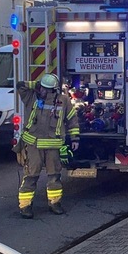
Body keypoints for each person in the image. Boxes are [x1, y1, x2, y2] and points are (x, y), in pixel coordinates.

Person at [16, 73, 80, 219]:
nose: (43, 91)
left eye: (46, 89)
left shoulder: (63, 101)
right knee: (31, 175)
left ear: (54, 90)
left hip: (53, 145)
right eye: (42, 88)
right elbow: (20, 84)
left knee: (54, 176)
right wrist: (37, 84)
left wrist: (75, 138)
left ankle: (54, 203)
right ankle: (25, 206)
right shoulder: (31, 97)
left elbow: (72, 120)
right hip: (33, 144)